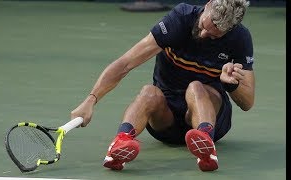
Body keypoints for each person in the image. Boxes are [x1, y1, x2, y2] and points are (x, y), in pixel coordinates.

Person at [71, 0, 255, 172]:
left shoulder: (240, 38)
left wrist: (231, 84)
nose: (204, 34)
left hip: (209, 115)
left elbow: (247, 102)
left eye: (215, 35)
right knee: (148, 92)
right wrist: (91, 99)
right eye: (205, 26)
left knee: (196, 87)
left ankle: (206, 148)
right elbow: (125, 63)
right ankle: (120, 144)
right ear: (207, 5)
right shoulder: (180, 19)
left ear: (231, 28)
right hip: (166, 119)